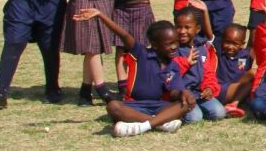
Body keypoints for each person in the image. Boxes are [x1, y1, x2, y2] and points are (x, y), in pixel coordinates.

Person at [72, 9, 190, 137]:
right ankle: (159, 123)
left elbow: (174, 91)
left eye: (176, 42)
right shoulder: (141, 53)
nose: (174, 47)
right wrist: (101, 15)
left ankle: (142, 125)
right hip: (135, 106)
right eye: (169, 44)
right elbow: (123, 35)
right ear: (155, 45)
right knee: (113, 106)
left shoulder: (173, 66)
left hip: (159, 106)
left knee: (185, 104)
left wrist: (182, 93)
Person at [172, 6, 226, 122]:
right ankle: (174, 111)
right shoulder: (172, 48)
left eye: (187, 27)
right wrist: (186, 63)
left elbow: (208, 72)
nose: (182, 31)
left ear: (197, 29)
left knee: (219, 113)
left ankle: (197, 108)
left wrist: (209, 88)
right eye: (178, 27)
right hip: (180, 94)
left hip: (198, 93)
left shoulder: (202, 48)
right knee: (195, 118)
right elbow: (169, 74)